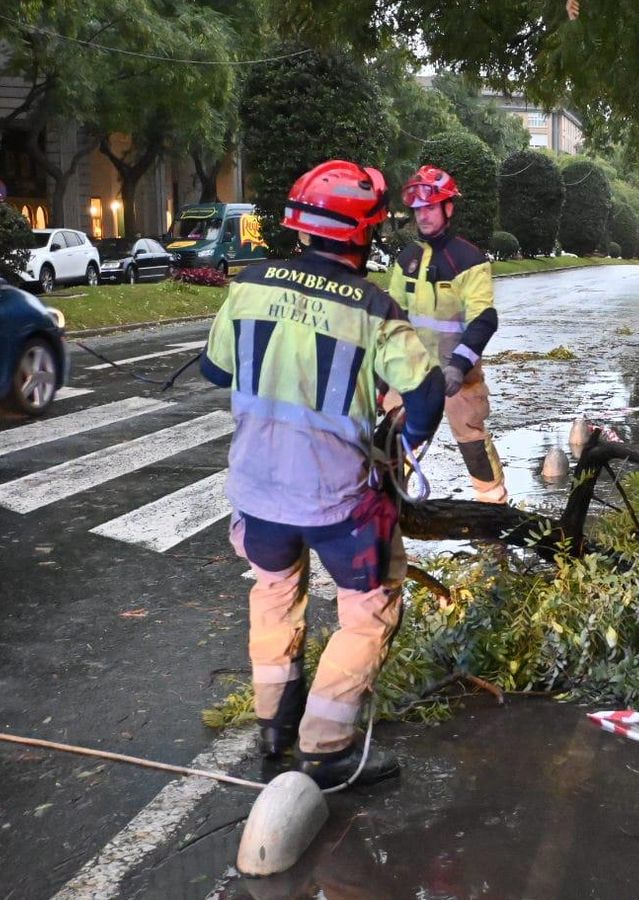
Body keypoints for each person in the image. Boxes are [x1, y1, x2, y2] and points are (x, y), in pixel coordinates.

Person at [200, 160, 445, 789]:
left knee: (274, 595)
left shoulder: (249, 286)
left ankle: (274, 727)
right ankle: (327, 745)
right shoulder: (375, 308)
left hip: (255, 492)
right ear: (364, 234)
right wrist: (405, 441)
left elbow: (215, 371)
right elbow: (426, 392)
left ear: (301, 227)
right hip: (339, 501)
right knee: (370, 610)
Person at [387, 165, 507, 504]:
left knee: (472, 443)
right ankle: (391, 510)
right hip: (411, 374)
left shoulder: (469, 260)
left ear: (447, 208)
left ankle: (493, 507)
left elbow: (483, 319)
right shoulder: (406, 259)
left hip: (458, 376)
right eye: (418, 209)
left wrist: (458, 364)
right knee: (394, 443)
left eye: (430, 207)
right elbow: (392, 316)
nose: (422, 216)